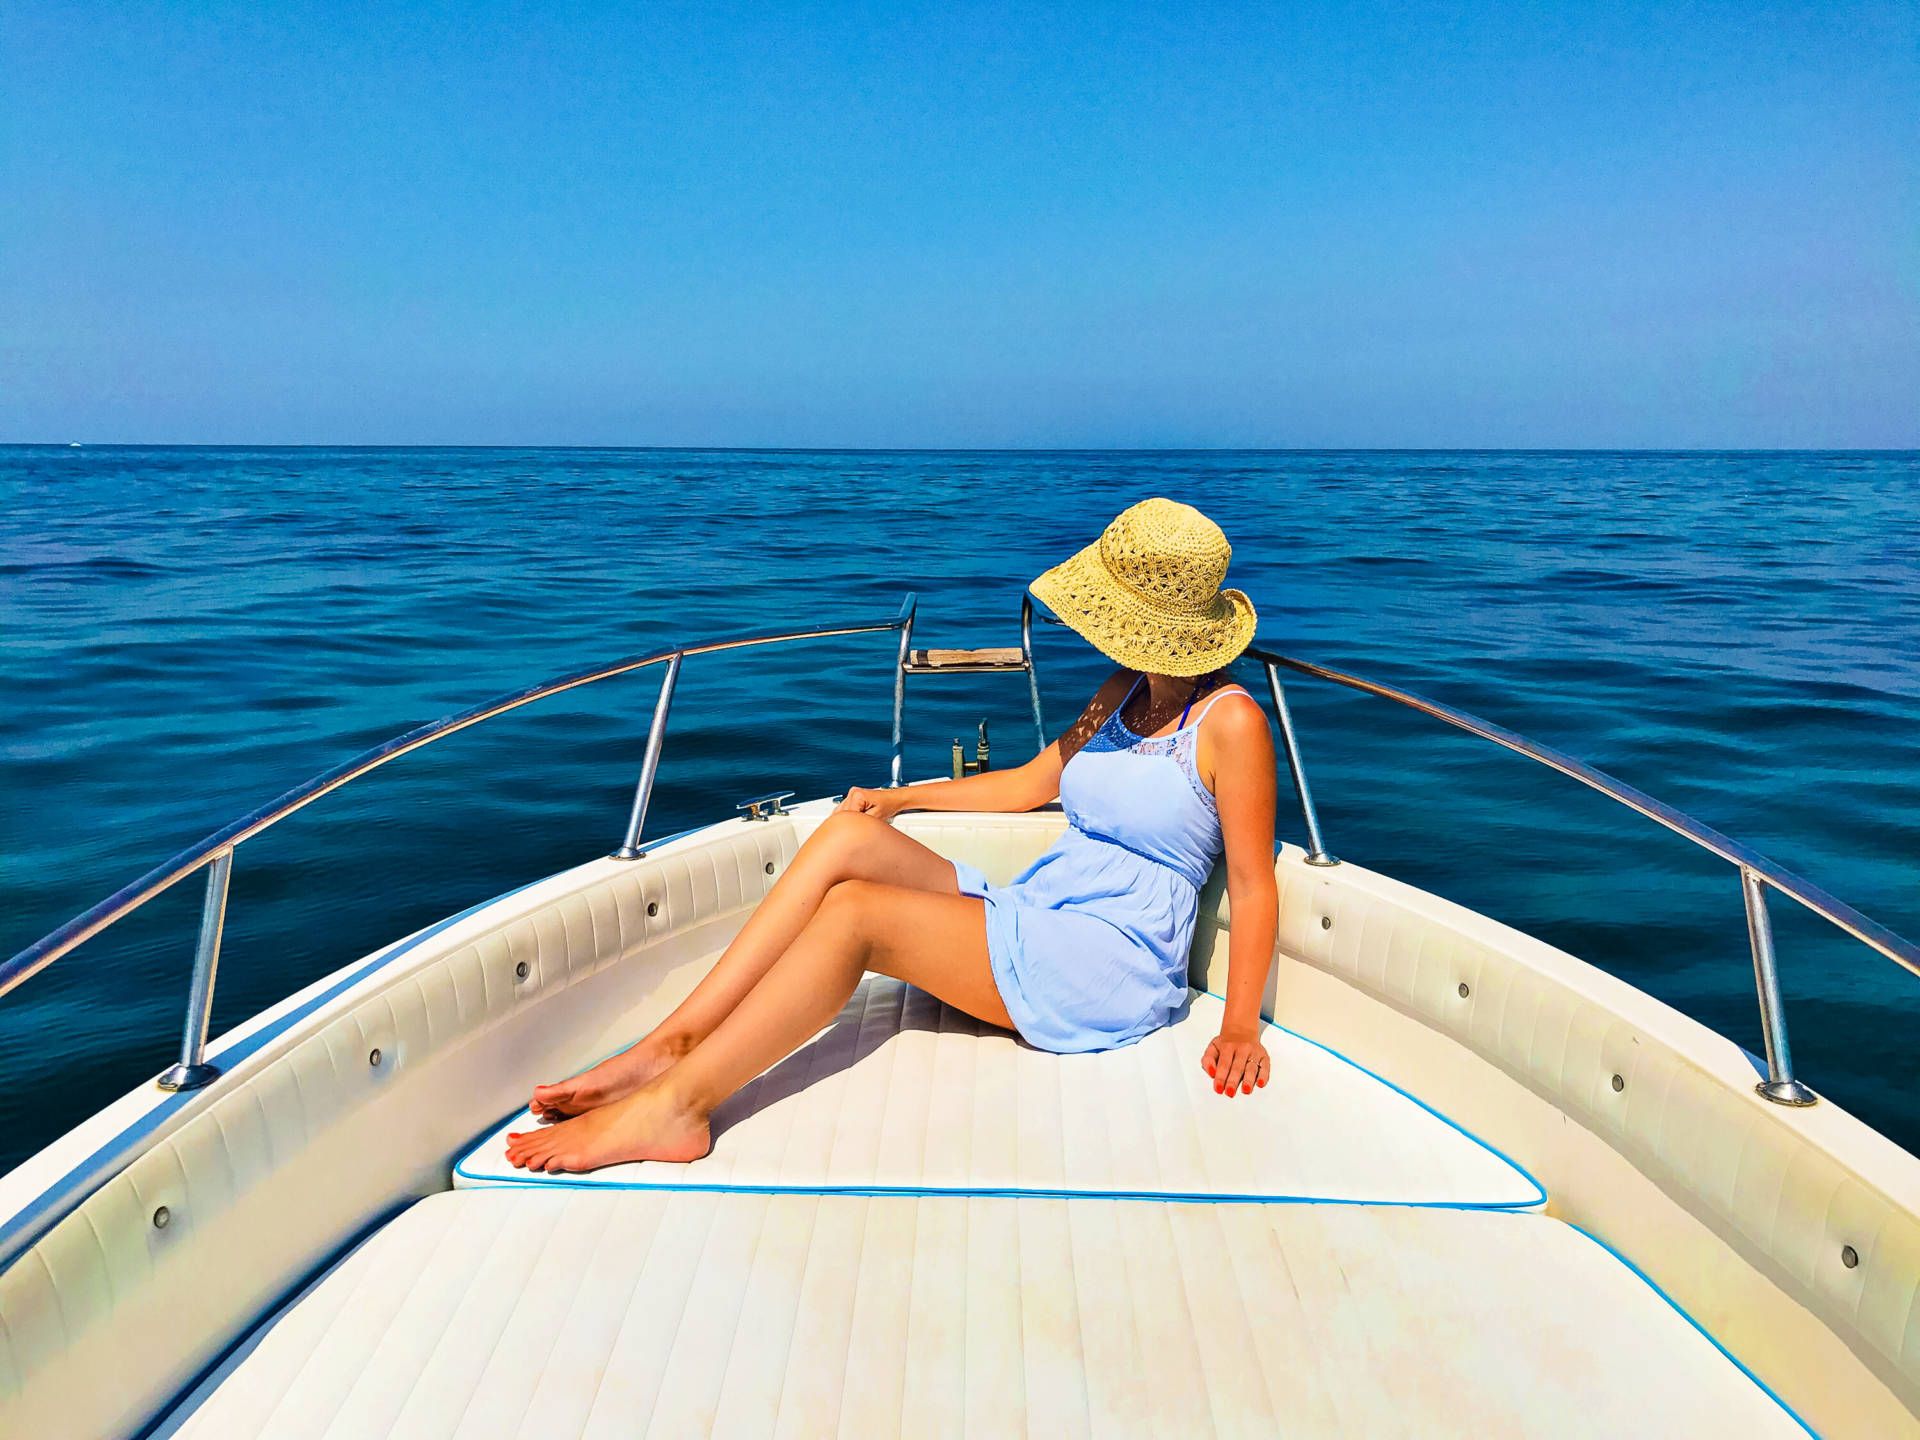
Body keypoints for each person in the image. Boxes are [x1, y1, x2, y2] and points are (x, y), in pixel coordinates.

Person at [506, 497, 1280, 1173]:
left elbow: (1251, 885)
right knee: (848, 839)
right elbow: (1028, 784)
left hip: (1110, 960)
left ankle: (679, 1107)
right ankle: (670, 1045)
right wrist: (899, 798)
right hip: (1046, 906)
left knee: (856, 916)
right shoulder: (1121, 690)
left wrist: (1239, 1024)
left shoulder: (1232, 723)